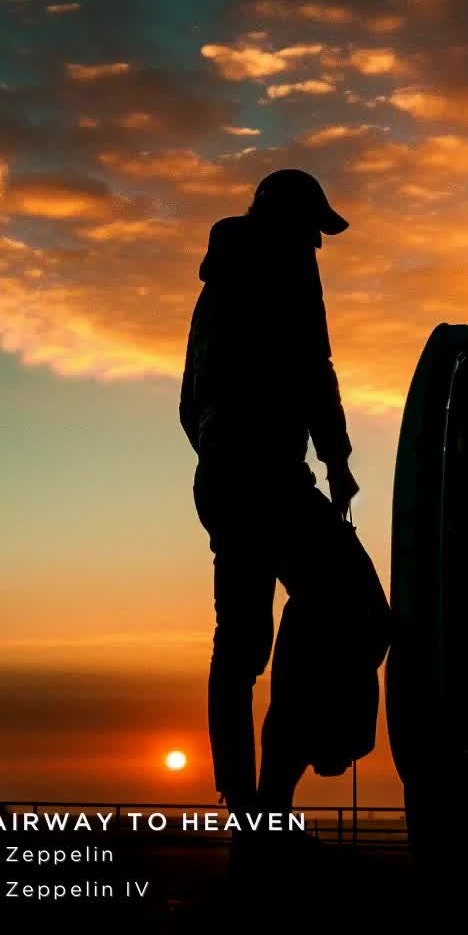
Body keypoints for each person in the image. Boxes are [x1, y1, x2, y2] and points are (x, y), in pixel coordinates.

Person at [179, 169, 360, 820]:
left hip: (224, 476)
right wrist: (335, 459)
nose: (318, 243)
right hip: (267, 476)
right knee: (355, 606)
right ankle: (278, 787)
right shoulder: (284, 259)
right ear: (288, 218)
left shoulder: (219, 281)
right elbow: (315, 365)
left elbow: (188, 399)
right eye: (314, 228)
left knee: (241, 644)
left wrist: (219, 456)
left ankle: (247, 801)